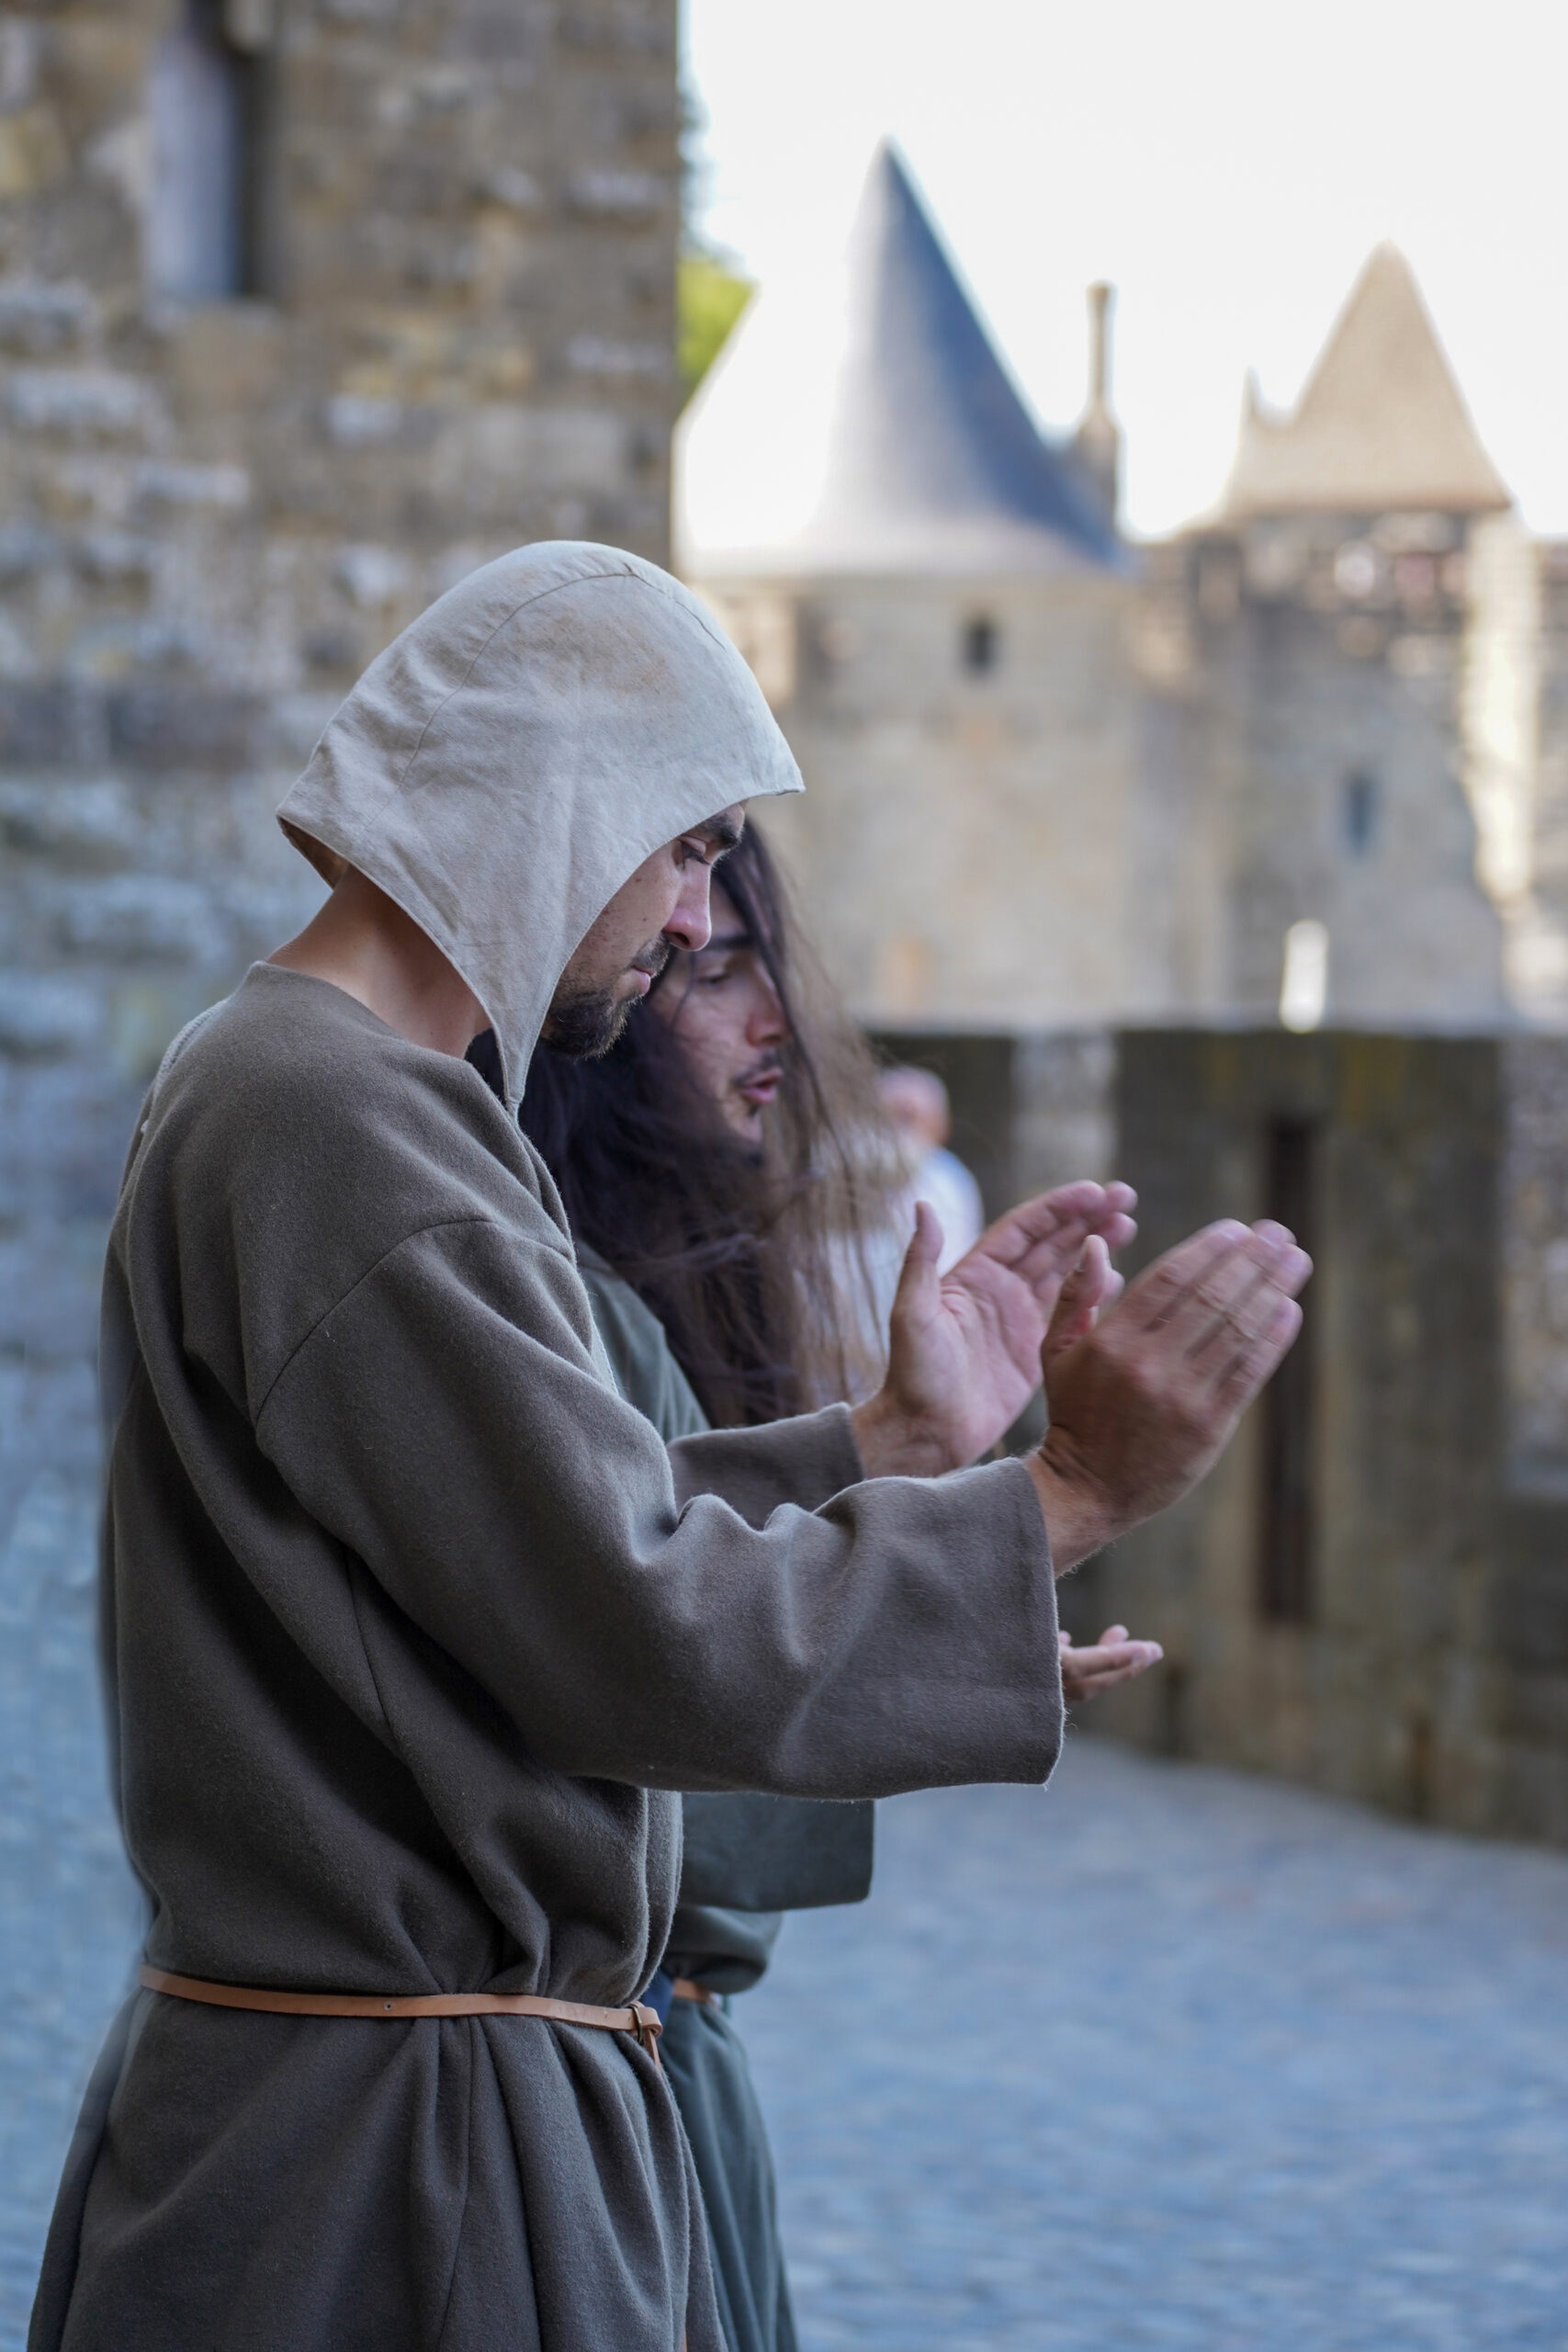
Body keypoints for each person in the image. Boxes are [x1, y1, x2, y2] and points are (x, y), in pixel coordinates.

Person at [31, 542, 1309, 2352]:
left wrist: (890, 1443)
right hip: (393, 2194)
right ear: (566, 794)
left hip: (402, 2143)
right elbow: (630, 1627)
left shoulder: (335, 1096)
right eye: (692, 840)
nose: (704, 911)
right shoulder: (331, 1113)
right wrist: (1062, 1490)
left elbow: (544, 1542)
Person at [516, 822, 1163, 2352]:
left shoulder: (654, 1289)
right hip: (583, 2091)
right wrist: (1044, 1508)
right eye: (709, 969)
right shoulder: (557, 1307)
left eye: (764, 966)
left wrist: (920, 1460)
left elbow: (693, 1610)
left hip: (652, 2072)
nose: (777, 1030)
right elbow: (627, 1712)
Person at [879, 1063, 986, 1272]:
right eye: (892, 1115)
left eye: (908, 1117)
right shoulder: (844, 1173)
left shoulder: (949, 1179)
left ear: (940, 1126)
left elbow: (956, 1256)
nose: (898, 1129)